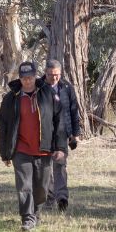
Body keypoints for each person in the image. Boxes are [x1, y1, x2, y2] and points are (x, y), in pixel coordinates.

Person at [0, 61, 67, 232]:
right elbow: (4, 126)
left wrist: (60, 147)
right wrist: (5, 153)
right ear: (19, 79)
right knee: (24, 185)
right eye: (24, 78)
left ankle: (36, 212)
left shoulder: (48, 93)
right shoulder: (11, 98)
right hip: (20, 149)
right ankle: (27, 218)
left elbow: (59, 122)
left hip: (43, 149)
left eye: (30, 78)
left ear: (36, 76)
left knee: (42, 187)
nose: (27, 81)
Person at [43, 59, 82, 212]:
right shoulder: (39, 87)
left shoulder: (67, 88)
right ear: (45, 73)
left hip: (62, 132)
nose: (54, 78)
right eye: (51, 75)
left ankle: (62, 198)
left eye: (57, 75)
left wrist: (75, 134)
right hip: (44, 133)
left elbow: (73, 111)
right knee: (46, 167)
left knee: (60, 165)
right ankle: (49, 197)